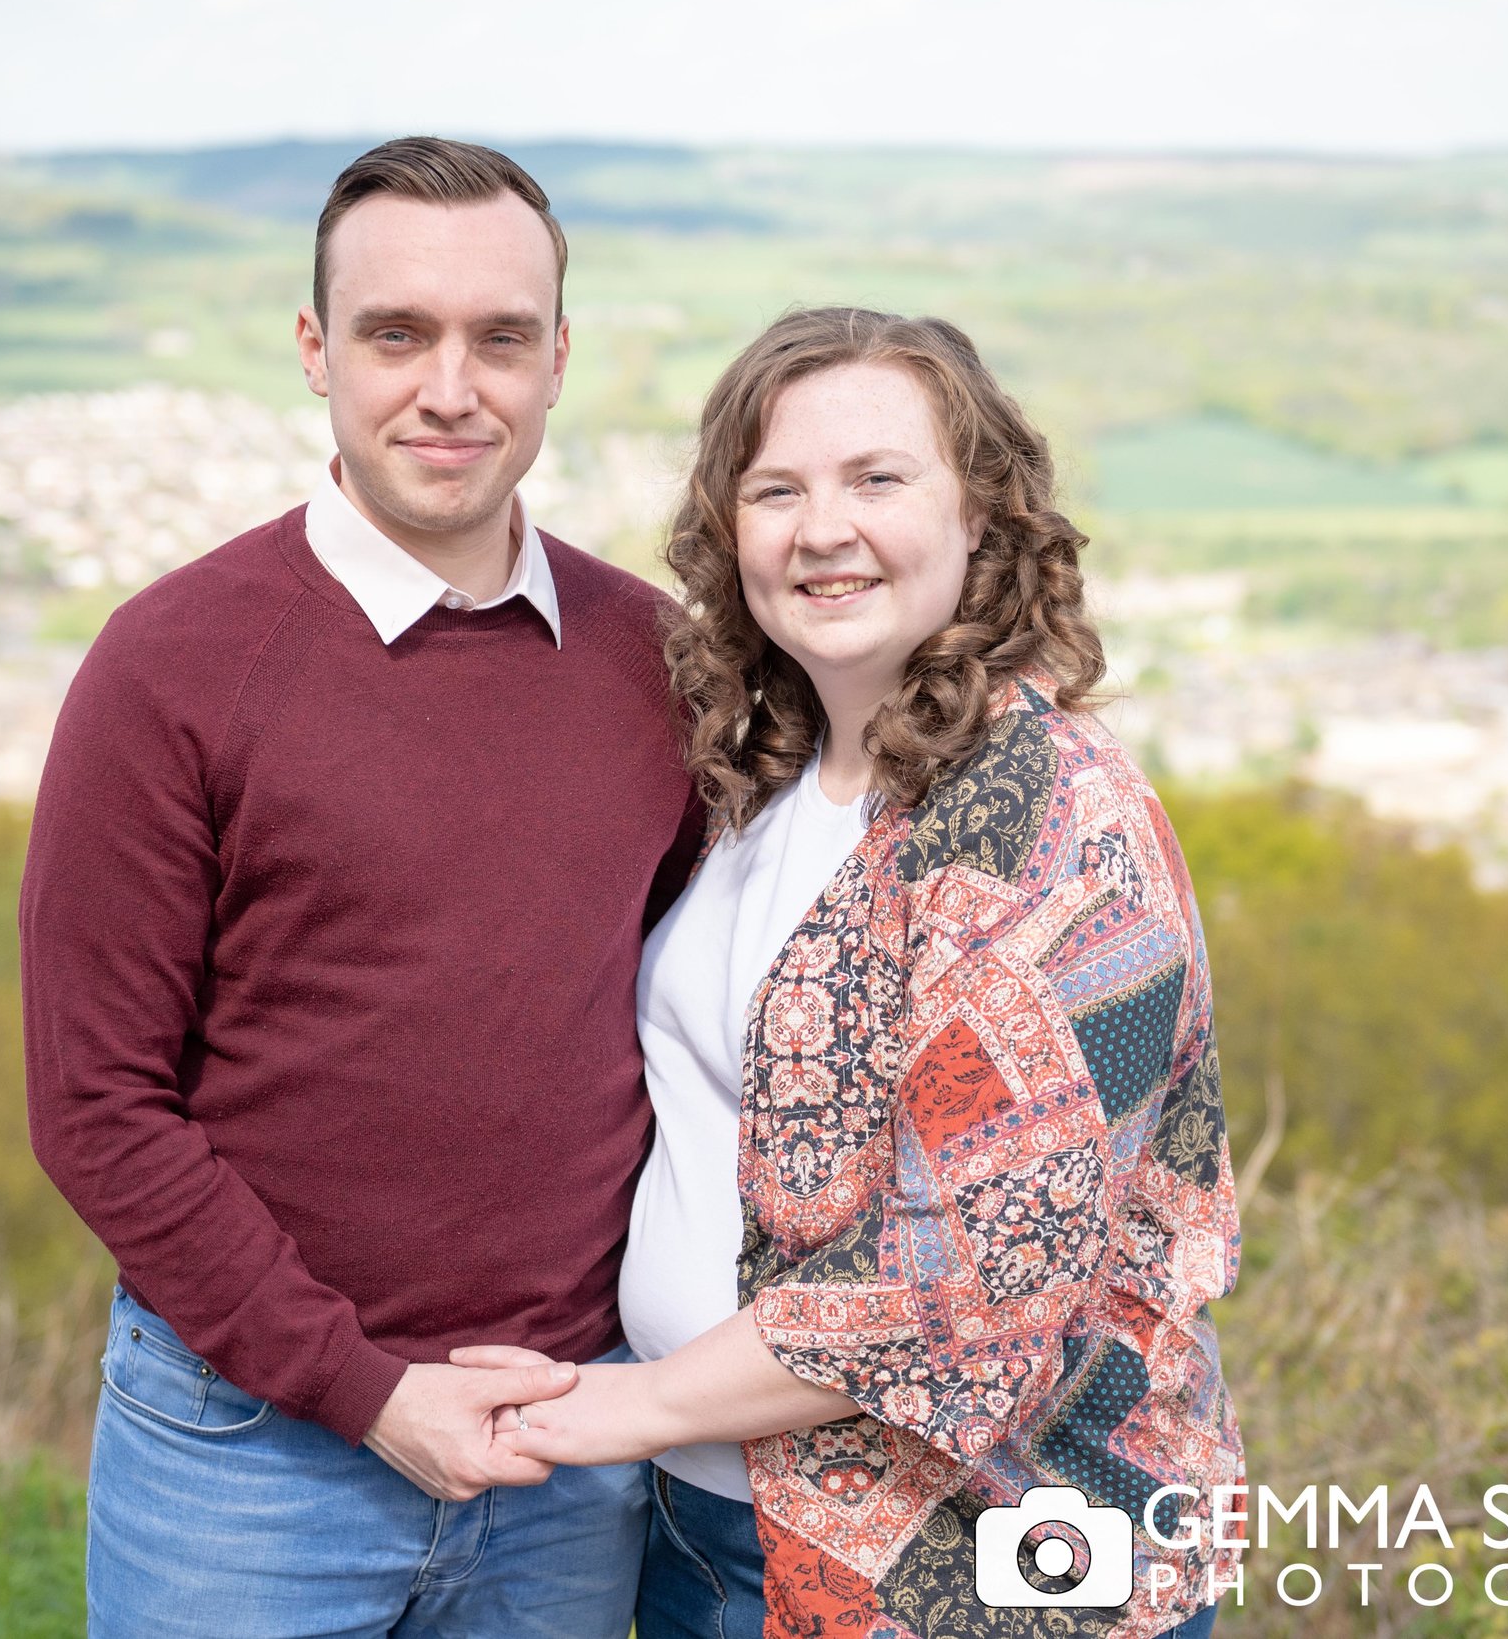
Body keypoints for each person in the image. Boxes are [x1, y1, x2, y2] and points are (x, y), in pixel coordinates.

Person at [459, 308, 1247, 1639]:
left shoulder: (1051, 821)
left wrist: (613, 1404)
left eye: (877, 479)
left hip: (984, 1569)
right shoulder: (767, 774)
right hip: (719, 1525)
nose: (825, 529)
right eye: (778, 490)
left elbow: (971, 1284)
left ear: (983, 520)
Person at [18, 137, 702, 1638]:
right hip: (248, 1458)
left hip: (558, 1451)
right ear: (318, 352)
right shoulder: (171, 668)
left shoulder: (656, 664)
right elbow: (97, 1106)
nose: (450, 388)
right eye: (398, 333)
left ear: (558, 358)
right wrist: (364, 1389)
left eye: (500, 338)